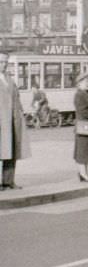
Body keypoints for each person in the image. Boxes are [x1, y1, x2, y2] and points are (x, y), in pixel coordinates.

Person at [0, 50, 30, 190]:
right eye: (1, 62)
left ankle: (8, 181)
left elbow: (16, 98)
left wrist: (20, 114)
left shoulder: (9, 78)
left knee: (11, 151)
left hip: (12, 121)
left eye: (6, 62)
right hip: (1, 121)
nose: (4, 65)